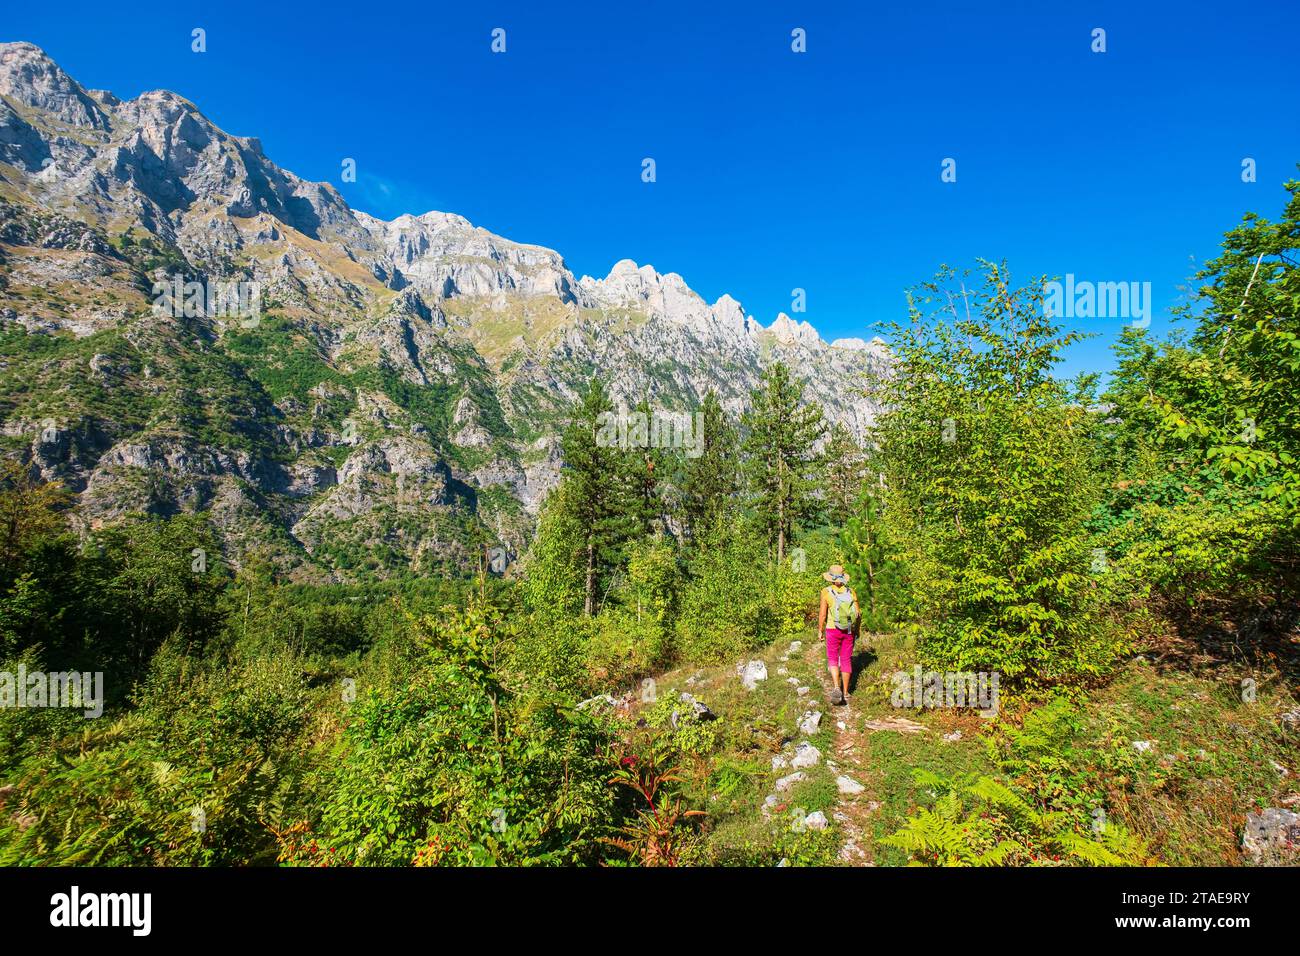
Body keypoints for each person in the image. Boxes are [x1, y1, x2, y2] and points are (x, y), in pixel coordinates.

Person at [818, 565, 859, 706]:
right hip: (849, 630)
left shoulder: (826, 592)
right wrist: (857, 630)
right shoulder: (851, 592)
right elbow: (858, 615)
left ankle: (836, 687)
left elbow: (823, 614)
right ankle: (846, 693)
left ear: (830, 578)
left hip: (832, 629)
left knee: (833, 658)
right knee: (846, 659)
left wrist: (820, 630)